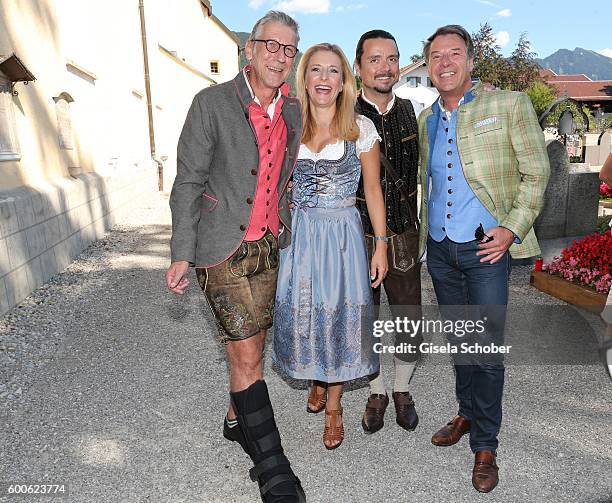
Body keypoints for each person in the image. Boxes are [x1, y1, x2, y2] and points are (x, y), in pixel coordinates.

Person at [165, 11, 305, 503]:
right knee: (246, 352)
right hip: (219, 245)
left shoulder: (293, 111)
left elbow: (288, 172)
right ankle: (273, 468)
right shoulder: (212, 103)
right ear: (249, 49)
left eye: (289, 49)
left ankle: (235, 417)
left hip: (268, 243)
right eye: (270, 45)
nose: (279, 55)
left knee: (253, 344)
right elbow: (188, 181)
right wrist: (182, 252)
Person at [417, 25, 550, 493]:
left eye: (455, 53)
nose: (445, 62)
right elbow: (427, 183)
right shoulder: (426, 118)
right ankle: (467, 414)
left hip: (487, 249)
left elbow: (537, 172)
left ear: (472, 62)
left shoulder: (509, 104)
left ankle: (487, 445)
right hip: (440, 248)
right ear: (428, 64)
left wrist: (511, 227)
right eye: (436, 55)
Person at [272, 43, 388, 450]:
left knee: (338, 314)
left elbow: (373, 190)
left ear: (343, 82)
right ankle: (317, 377)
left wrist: (382, 245)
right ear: (303, 78)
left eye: (333, 71)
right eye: (316, 70)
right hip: (301, 234)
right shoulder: (288, 126)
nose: (324, 78)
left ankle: (334, 404)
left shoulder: (360, 129)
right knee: (306, 309)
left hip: (342, 235)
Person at [353, 29, 422, 435]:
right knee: (365, 318)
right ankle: (376, 388)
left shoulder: (412, 111)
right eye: (375, 59)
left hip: (405, 234)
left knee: (408, 318)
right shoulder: (344, 113)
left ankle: (401, 388)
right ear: (359, 65)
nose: (385, 67)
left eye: (392, 58)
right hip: (357, 235)